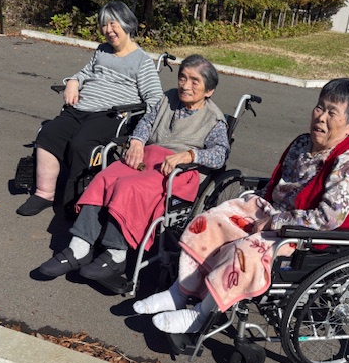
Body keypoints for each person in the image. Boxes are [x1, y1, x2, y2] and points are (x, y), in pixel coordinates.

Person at [133, 78, 349, 334]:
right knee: (211, 221)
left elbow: (327, 218)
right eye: (320, 107)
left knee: (244, 251)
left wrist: (275, 222)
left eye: (332, 113)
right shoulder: (303, 143)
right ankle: (180, 291)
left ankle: (201, 315)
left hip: (303, 234)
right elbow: (278, 185)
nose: (321, 117)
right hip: (271, 212)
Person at [38, 54, 229, 282]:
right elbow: (147, 122)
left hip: (179, 172)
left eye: (194, 81)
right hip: (148, 157)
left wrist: (189, 155)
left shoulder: (213, 119)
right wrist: (137, 141)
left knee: (128, 187)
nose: (185, 85)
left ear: (209, 90)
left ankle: (116, 254)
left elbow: (220, 155)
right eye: (183, 78)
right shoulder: (167, 98)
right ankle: (79, 247)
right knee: (104, 178)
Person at [17, 0, 163, 217]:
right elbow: (85, 73)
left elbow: (155, 99)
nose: (108, 30)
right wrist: (73, 81)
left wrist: (141, 135)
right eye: (104, 25)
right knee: (49, 133)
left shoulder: (142, 61)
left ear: (126, 23)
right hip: (81, 108)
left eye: (113, 24)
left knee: (81, 144)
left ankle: (74, 202)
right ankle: (44, 193)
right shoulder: (102, 50)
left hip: (112, 114)